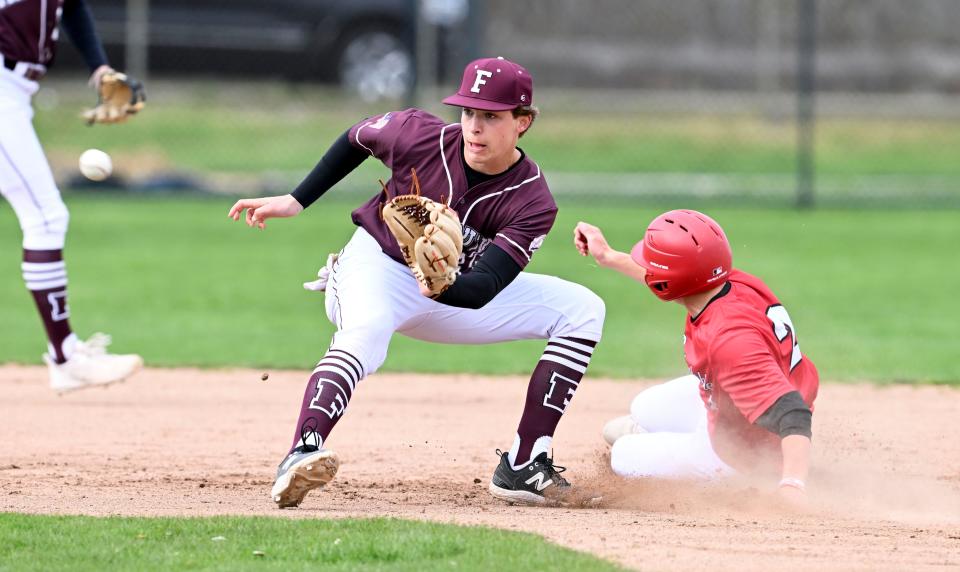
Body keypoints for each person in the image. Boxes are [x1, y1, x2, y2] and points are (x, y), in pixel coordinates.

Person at [229, 56, 605, 509]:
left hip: (456, 292)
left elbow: (486, 286)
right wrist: (296, 199)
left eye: (491, 116)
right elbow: (355, 138)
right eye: (468, 111)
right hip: (377, 268)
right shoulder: (417, 134)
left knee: (582, 309)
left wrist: (441, 283)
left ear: (522, 122)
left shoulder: (532, 200)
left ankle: (524, 464)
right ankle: (302, 450)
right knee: (365, 335)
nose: (475, 126)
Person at [574, 210, 818, 506]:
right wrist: (608, 257)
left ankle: (735, 468)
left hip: (740, 453)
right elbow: (676, 277)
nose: (646, 269)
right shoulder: (730, 283)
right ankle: (661, 439)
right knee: (643, 407)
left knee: (623, 452)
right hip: (733, 404)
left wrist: (792, 484)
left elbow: (793, 414)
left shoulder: (730, 340)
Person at [1, 0, 143, 392]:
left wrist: (99, 67)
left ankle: (65, 354)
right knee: (46, 218)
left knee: (45, 217)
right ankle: (65, 356)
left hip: (17, 90)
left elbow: (72, 5)